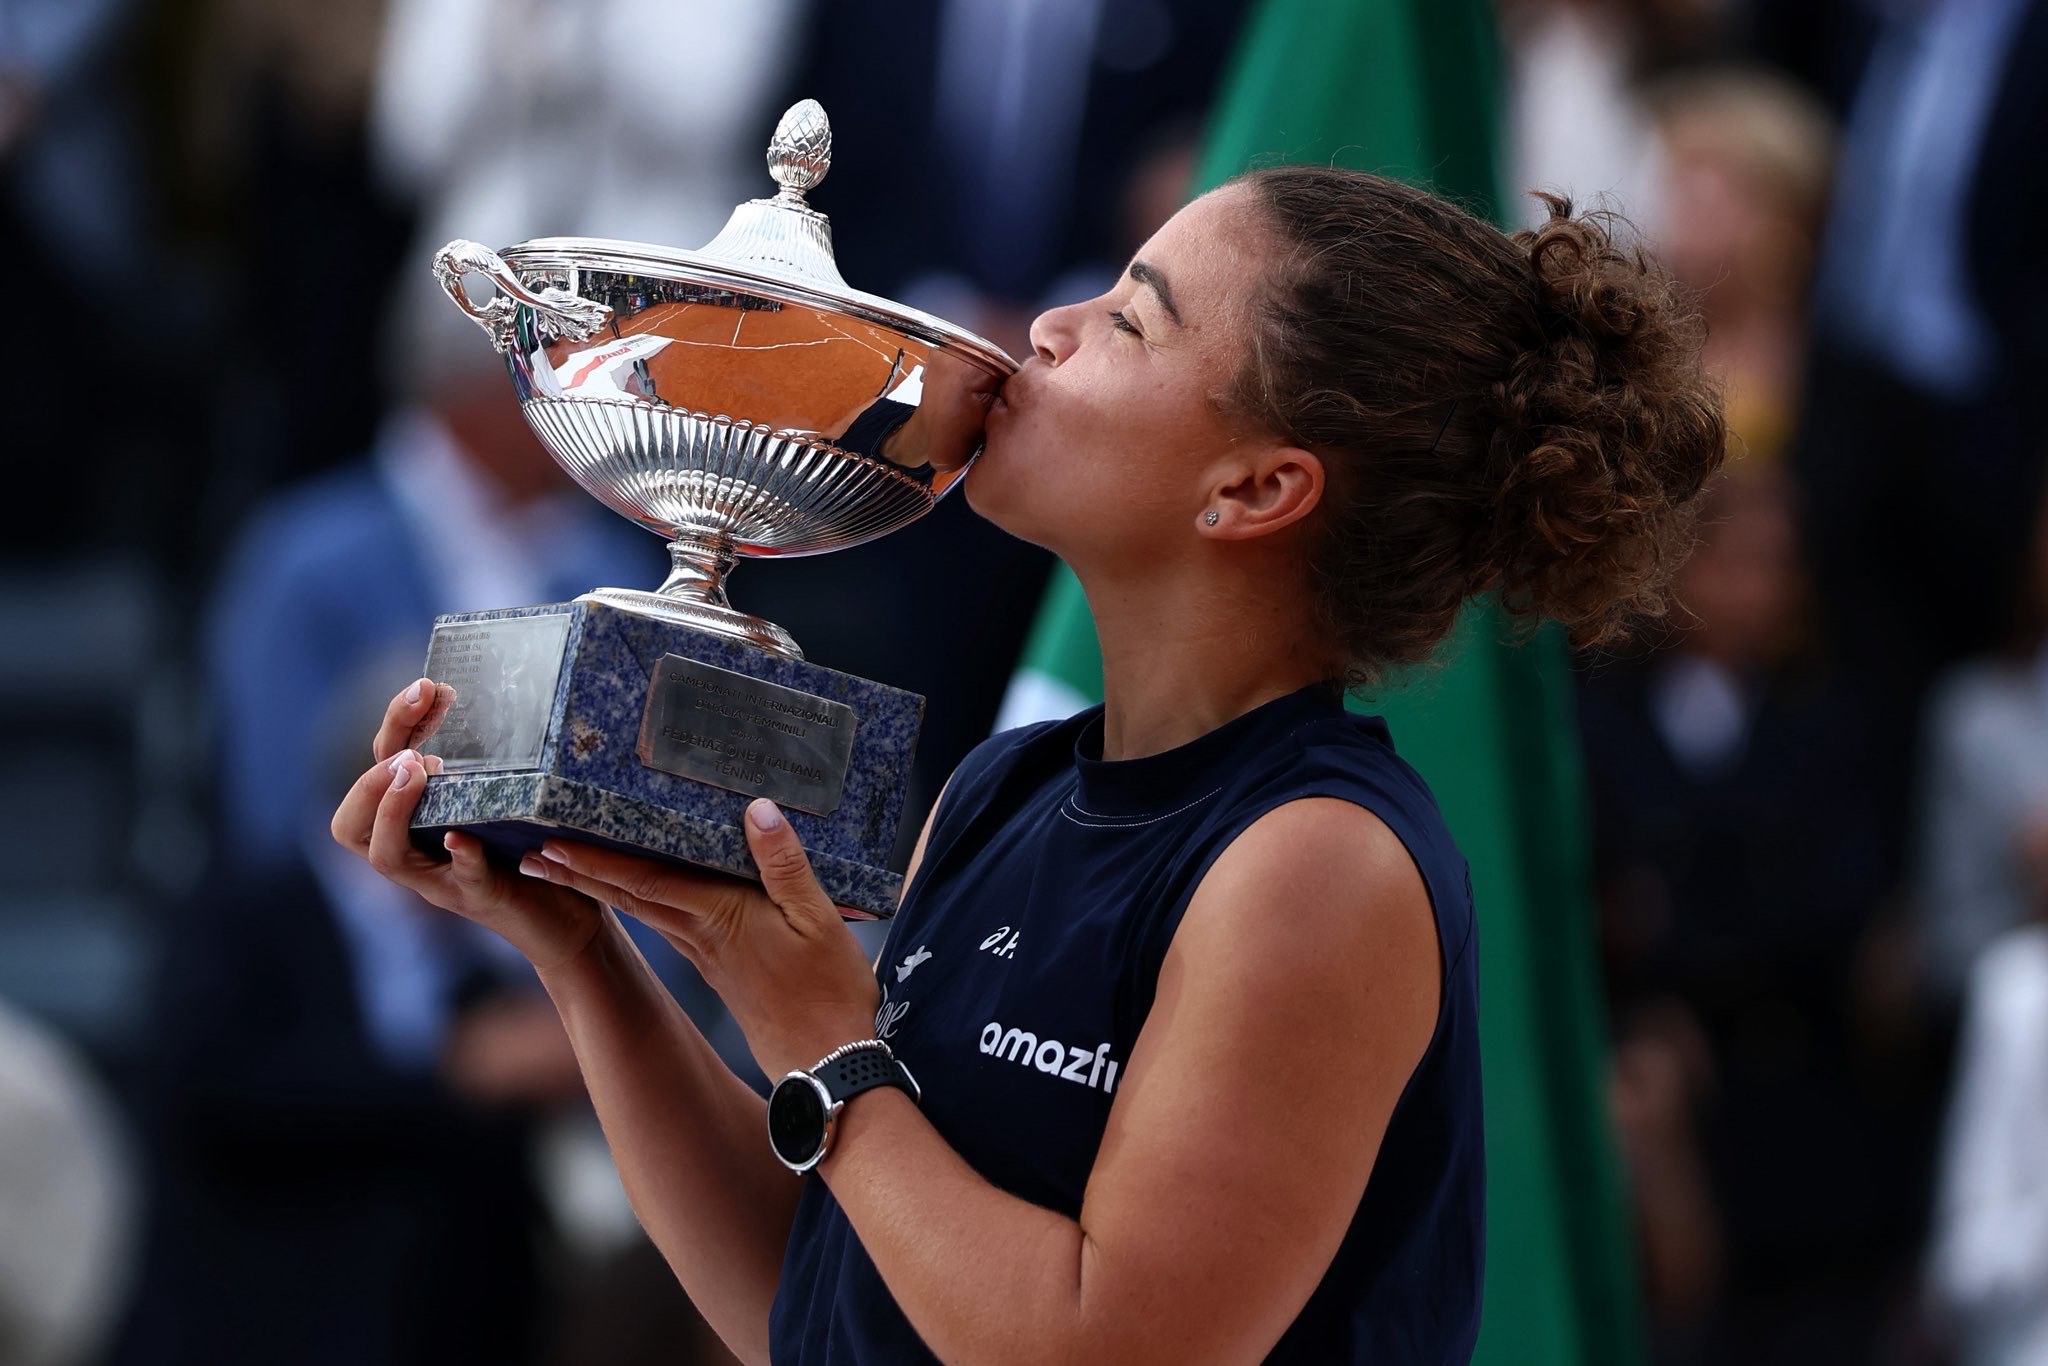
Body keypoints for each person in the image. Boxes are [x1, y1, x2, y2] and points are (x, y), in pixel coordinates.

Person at [332, 168, 1724, 1362]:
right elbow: (815, 1308)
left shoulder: (1316, 862)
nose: (1045, 329)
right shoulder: (1000, 789)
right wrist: (584, 951)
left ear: (1254, 489)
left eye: (1127, 318)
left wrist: (824, 1030)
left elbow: (1100, 1348)